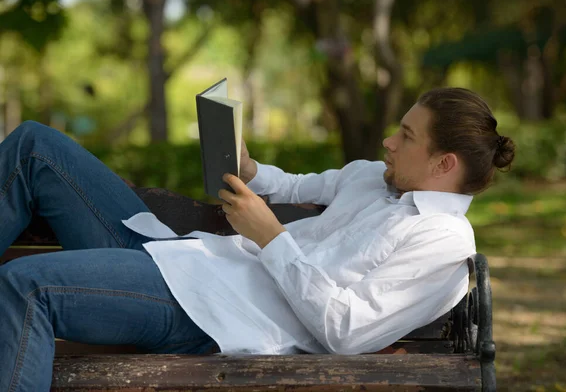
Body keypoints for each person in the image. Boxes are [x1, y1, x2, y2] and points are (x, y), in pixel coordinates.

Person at [0, 87, 515, 391]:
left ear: (444, 163)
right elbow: (293, 186)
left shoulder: (443, 243)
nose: (388, 141)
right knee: (34, 146)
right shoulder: (371, 177)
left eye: (406, 136)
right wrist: (247, 168)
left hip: (210, 310)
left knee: (25, 288)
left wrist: (271, 238)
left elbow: (348, 334)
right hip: (187, 260)